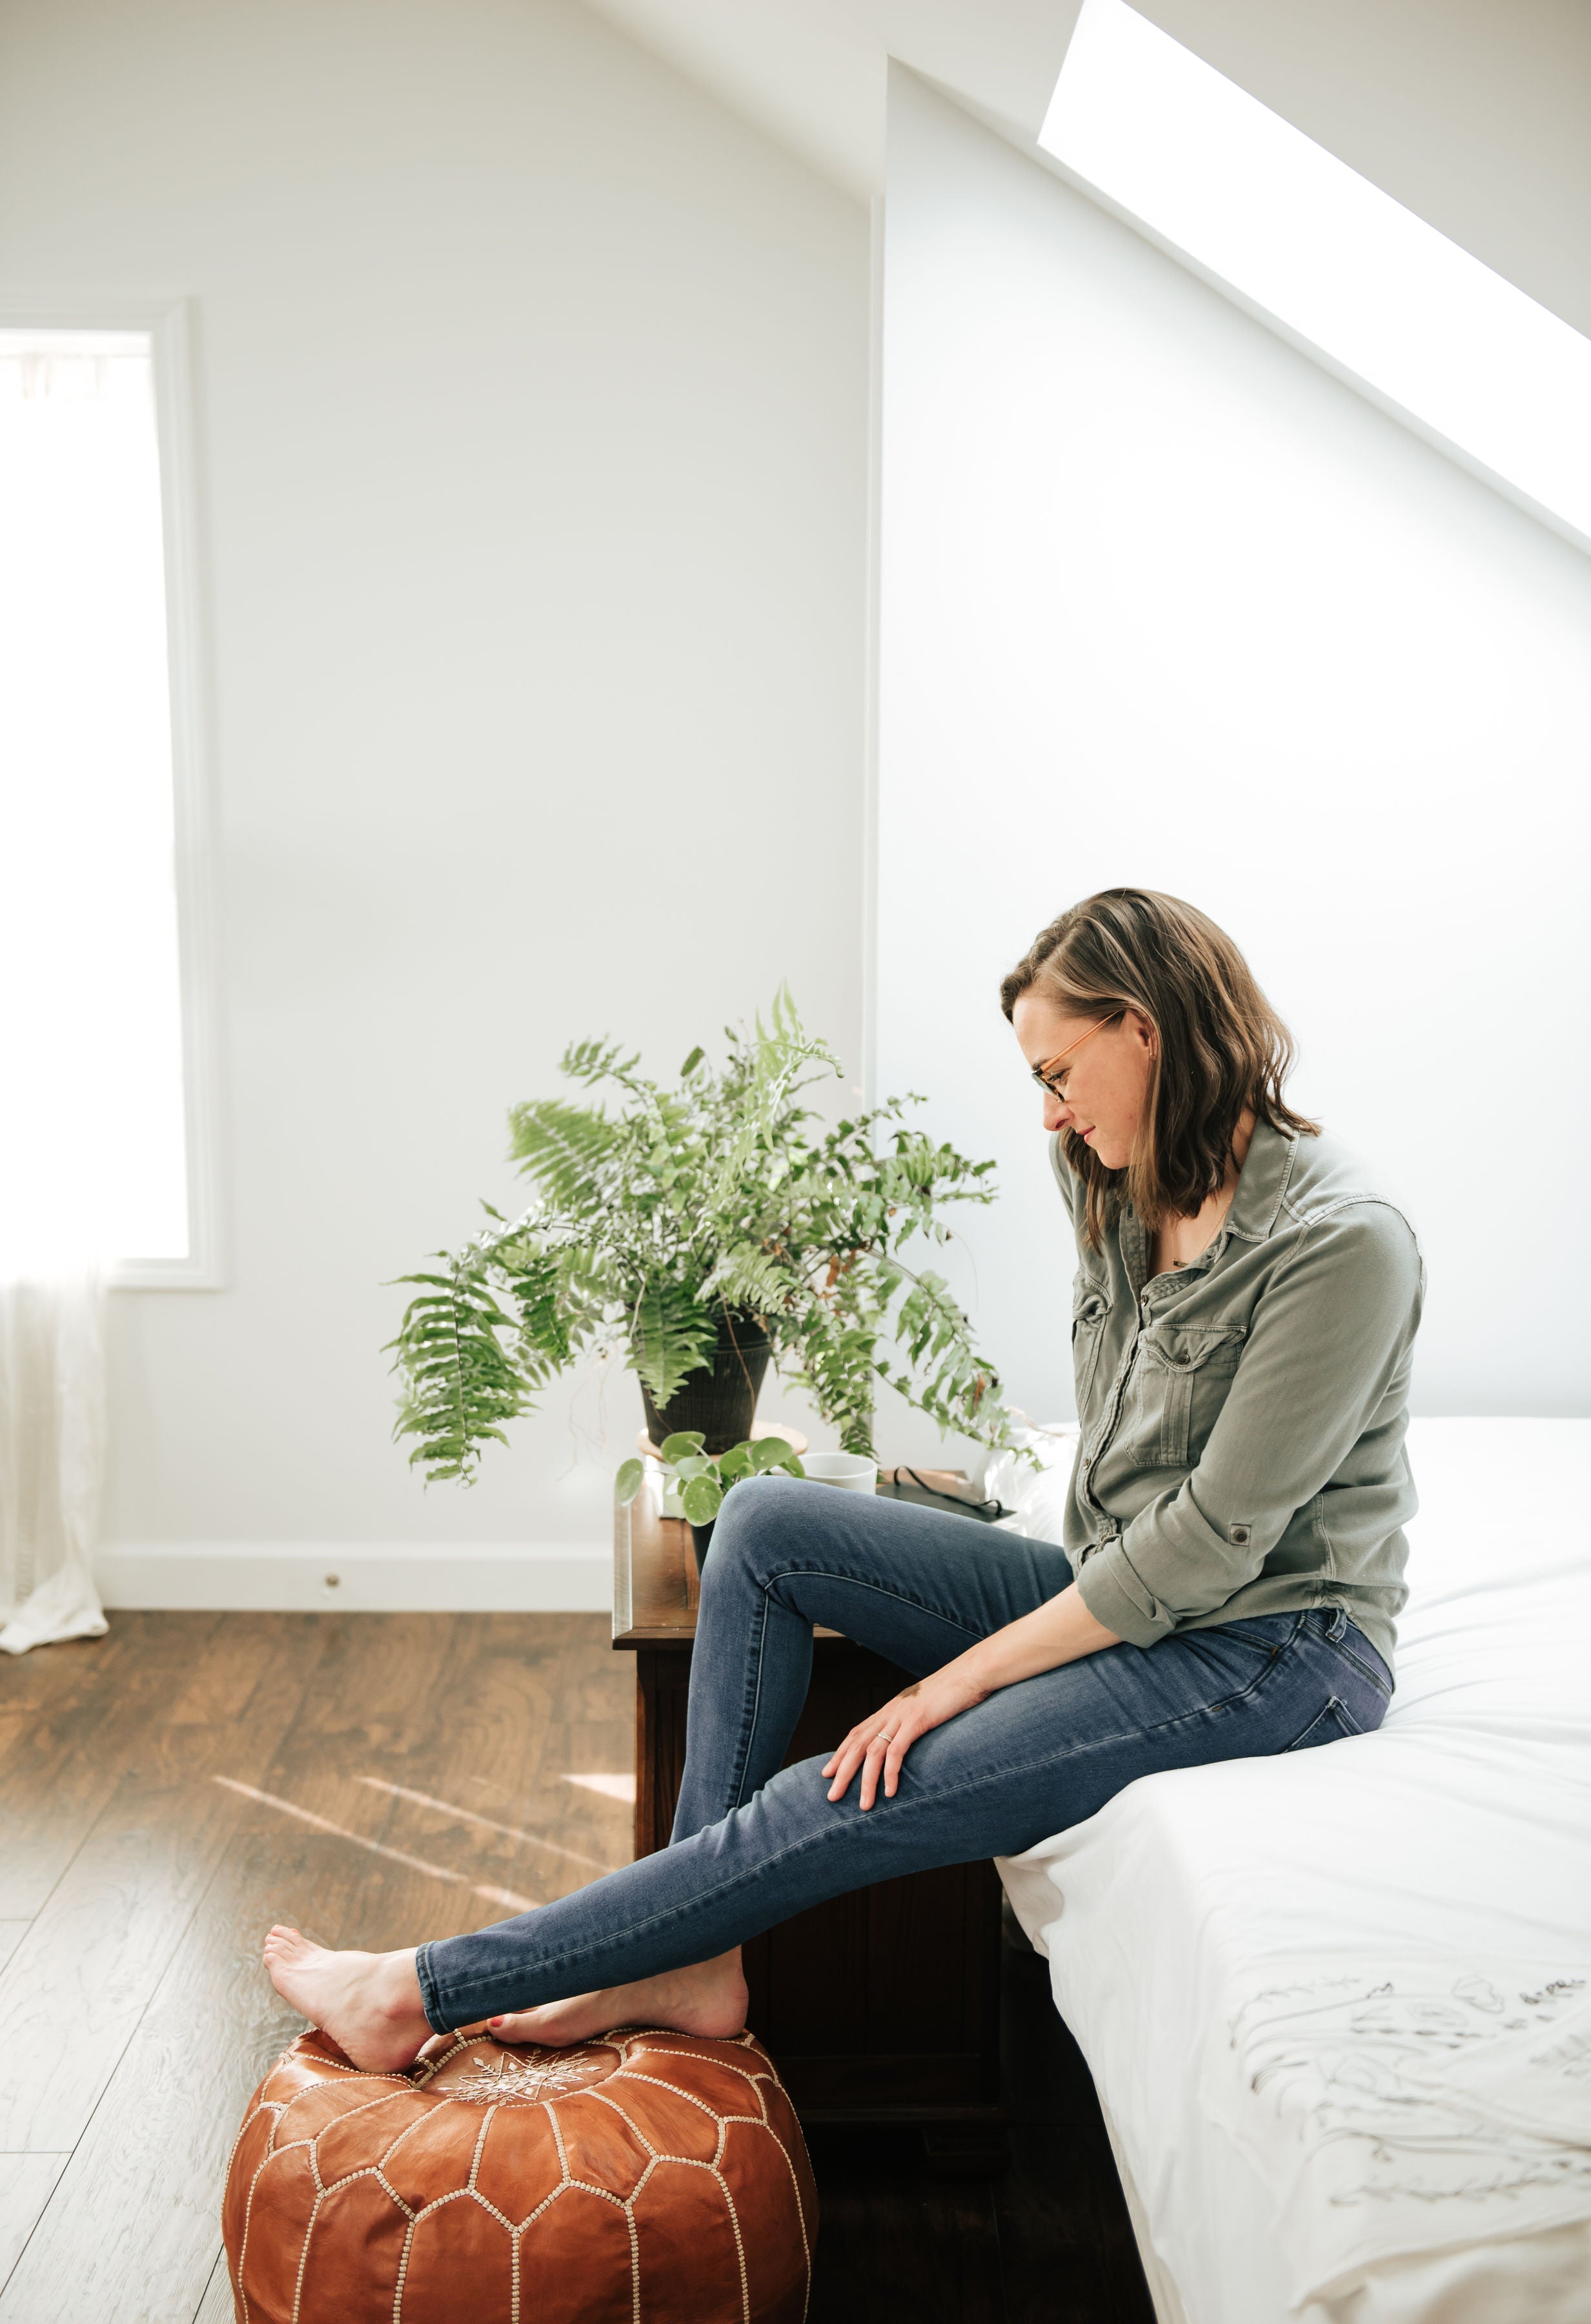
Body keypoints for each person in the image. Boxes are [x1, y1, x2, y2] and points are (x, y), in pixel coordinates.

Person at [264, 888, 1423, 2072]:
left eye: (1058, 1073)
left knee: (834, 1789)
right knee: (763, 1518)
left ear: (1145, 1027)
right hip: (1116, 1592)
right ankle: (687, 1956)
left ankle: (419, 1990)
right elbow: (1123, 1505)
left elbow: (1206, 1547)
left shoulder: (1341, 1243)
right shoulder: (1125, 1182)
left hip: (1268, 1650)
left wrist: (951, 1685)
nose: (1048, 1114)